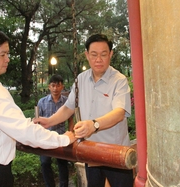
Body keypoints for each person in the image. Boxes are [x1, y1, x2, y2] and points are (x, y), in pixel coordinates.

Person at [0, 28, 76, 187]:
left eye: (7, 54)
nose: (7, 59)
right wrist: (64, 139)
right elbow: (23, 130)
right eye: (2, 55)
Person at [34, 34, 134, 187]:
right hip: (91, 152)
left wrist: (93, 125)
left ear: (111, 55)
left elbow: (119, 112)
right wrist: (48, 121)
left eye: (103, 54)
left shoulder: (119, 80)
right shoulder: (80, 80)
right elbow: (68, 107)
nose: (98, 59)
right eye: (94, 54)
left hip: (115, 152)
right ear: (87, 55)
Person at [37, 74, 74, 187]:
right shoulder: (42, 102)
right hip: (46, 137)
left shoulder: (67, 101)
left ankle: (64, 185)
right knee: (45, 163)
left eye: (58, 86)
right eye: (53, 86)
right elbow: (38, 121)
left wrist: (70, 133)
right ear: (49, 86)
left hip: (61, 137)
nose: (55, 89)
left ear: (62, 87)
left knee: (62, 163)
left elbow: (70, 120)